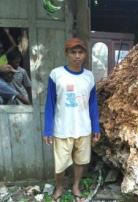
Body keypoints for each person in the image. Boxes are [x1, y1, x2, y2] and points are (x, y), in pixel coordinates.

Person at [43, 38, 101, 202]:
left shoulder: (89, 76)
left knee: (80, 161)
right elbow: (50, 103)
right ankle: (60, 187)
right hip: (62, 129)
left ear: (85, 54)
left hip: (83, 128)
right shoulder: (56, 74)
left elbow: (93, 104)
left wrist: (96, 127)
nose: (77, 56)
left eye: (80, 52)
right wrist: (48, 129)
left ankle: (76, 186)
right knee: (60, 164)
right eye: (73, 52)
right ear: (66, 54)